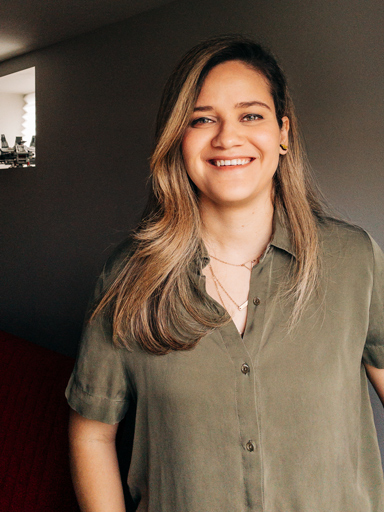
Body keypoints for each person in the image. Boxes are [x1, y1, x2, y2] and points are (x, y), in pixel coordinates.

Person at [66, 34, 384, 512]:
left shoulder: (354, 258)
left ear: (283, 132)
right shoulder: (129, 276)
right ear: (179, 138)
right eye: (202, 119)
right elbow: (92, 434)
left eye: (250, 115)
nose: (227, 137)